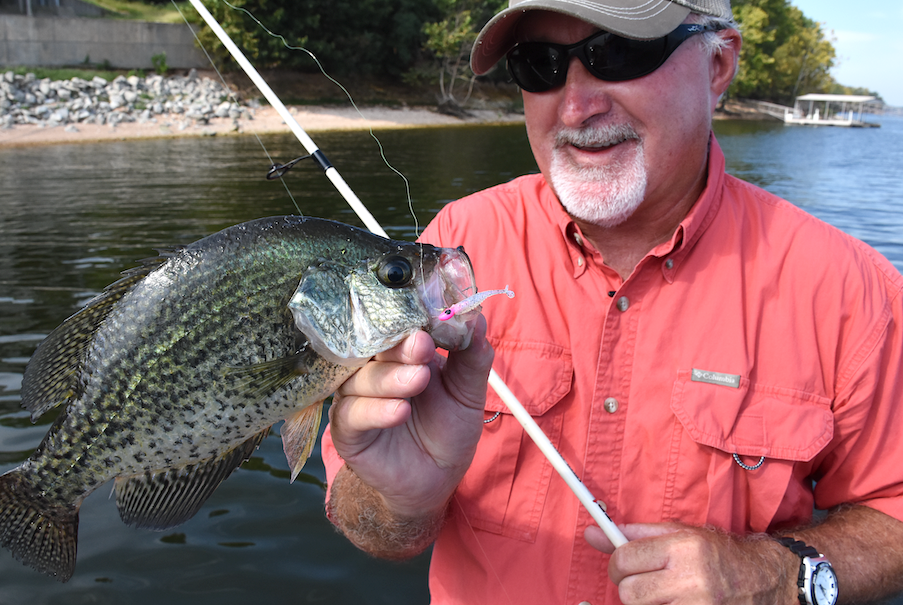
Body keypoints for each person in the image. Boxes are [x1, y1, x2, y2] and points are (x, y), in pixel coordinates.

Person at [321, 0, 903, 603]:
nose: (576, 105)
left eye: (620, 53)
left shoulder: (850, 289)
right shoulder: (450, 257)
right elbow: (369, 524)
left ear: (719, 65)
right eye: (539, 64)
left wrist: (779, 576)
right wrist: (400, 502)